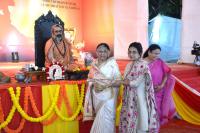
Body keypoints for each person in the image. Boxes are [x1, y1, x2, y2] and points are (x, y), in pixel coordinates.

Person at [119, 42, 159, 133]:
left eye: (134, 52)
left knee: (140, 118)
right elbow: (125, 79)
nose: (131, 54)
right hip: (129, 96)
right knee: (129, 116)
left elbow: (135, 83)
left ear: (140, 53)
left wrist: (123, 82)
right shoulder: (129, 64)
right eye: (129, 52)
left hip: (139, 97)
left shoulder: (143, 65)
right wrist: (121, 81)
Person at [83, 43, 122, 133]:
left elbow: (118, 81)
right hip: (97, 95)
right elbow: (89, 79)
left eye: (104, 51)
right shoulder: (93, 64)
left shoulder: (112, 64)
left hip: (109, 97)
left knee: (107, 119)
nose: (102, 53)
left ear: (108, 52)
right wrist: (93, 85)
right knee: (99, 118)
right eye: (100, 51)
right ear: (96, 52)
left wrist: (105, 85)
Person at [143, 44, 177, 125]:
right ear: (149, 52)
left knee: (158, 105)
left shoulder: (159, 61)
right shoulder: (142, 63)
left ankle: (156, 121)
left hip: (159, 89)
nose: (157, 55)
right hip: (146, 90)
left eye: (158, 54)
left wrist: (162, 85)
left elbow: (167, 73)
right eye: (155, 53)